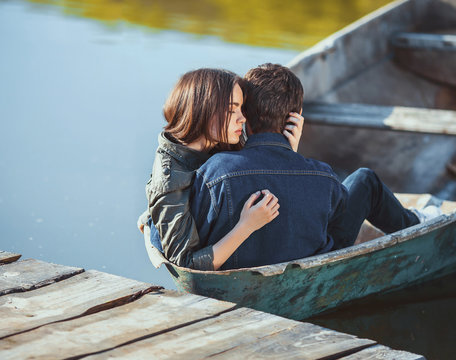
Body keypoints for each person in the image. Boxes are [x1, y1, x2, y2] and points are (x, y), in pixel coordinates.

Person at [190, 63, 440, 270]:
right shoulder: (322, 176)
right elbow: (313, 205)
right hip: (310, 269)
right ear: (295, 116)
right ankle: (417, 224)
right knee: (365, 181)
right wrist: (291, 156)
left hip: (232, 269)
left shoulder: (215, 170)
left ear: (243, 115)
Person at [138, 68, 304, 271]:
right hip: (204, 262)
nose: (242, 119)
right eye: (231, 110)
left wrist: (286, 151)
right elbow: (186, 265)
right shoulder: (170, 176)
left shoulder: (223, 145)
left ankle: (151, 217)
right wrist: (246, 226)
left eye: (242, 109)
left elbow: (261, 183)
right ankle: (152, 219)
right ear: (202, 109)